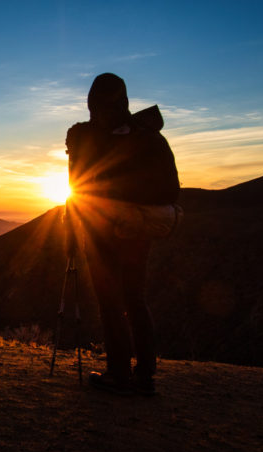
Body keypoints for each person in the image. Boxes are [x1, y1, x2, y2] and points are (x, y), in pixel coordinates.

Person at [65, 73, 179, 396]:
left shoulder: (91, 139)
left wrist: (72, 229)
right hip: (137, 235)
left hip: (103, 235)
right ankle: (144, 375)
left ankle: (118, 373)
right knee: (135, 299)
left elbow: (79, 186)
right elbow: (172, 189)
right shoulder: (149, 137)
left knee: (111, 303)